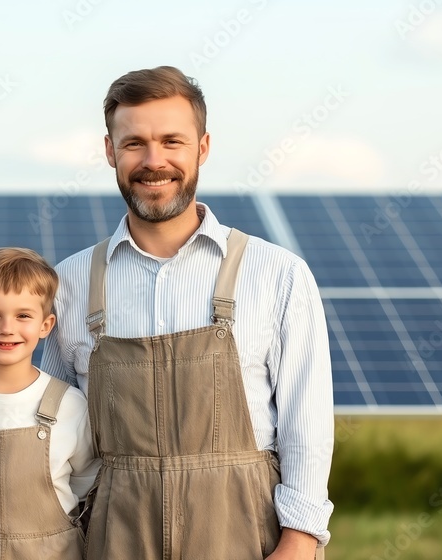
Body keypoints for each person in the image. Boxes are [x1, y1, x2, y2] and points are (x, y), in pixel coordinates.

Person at [41, 66, 334, 559]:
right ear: (110, 151)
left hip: (246, 531)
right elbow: (47, 434)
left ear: (202, 147)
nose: (154, 161)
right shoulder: (67, 284)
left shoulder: (276, 273)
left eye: (172, 141)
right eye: (134, 143)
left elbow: (307, 418)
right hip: (114, 535)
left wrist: (300, 540)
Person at [0, 247, 99, 559]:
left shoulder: (69, 405)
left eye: (23, 316)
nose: (7, 328)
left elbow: (86, 487)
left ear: (45, 325)